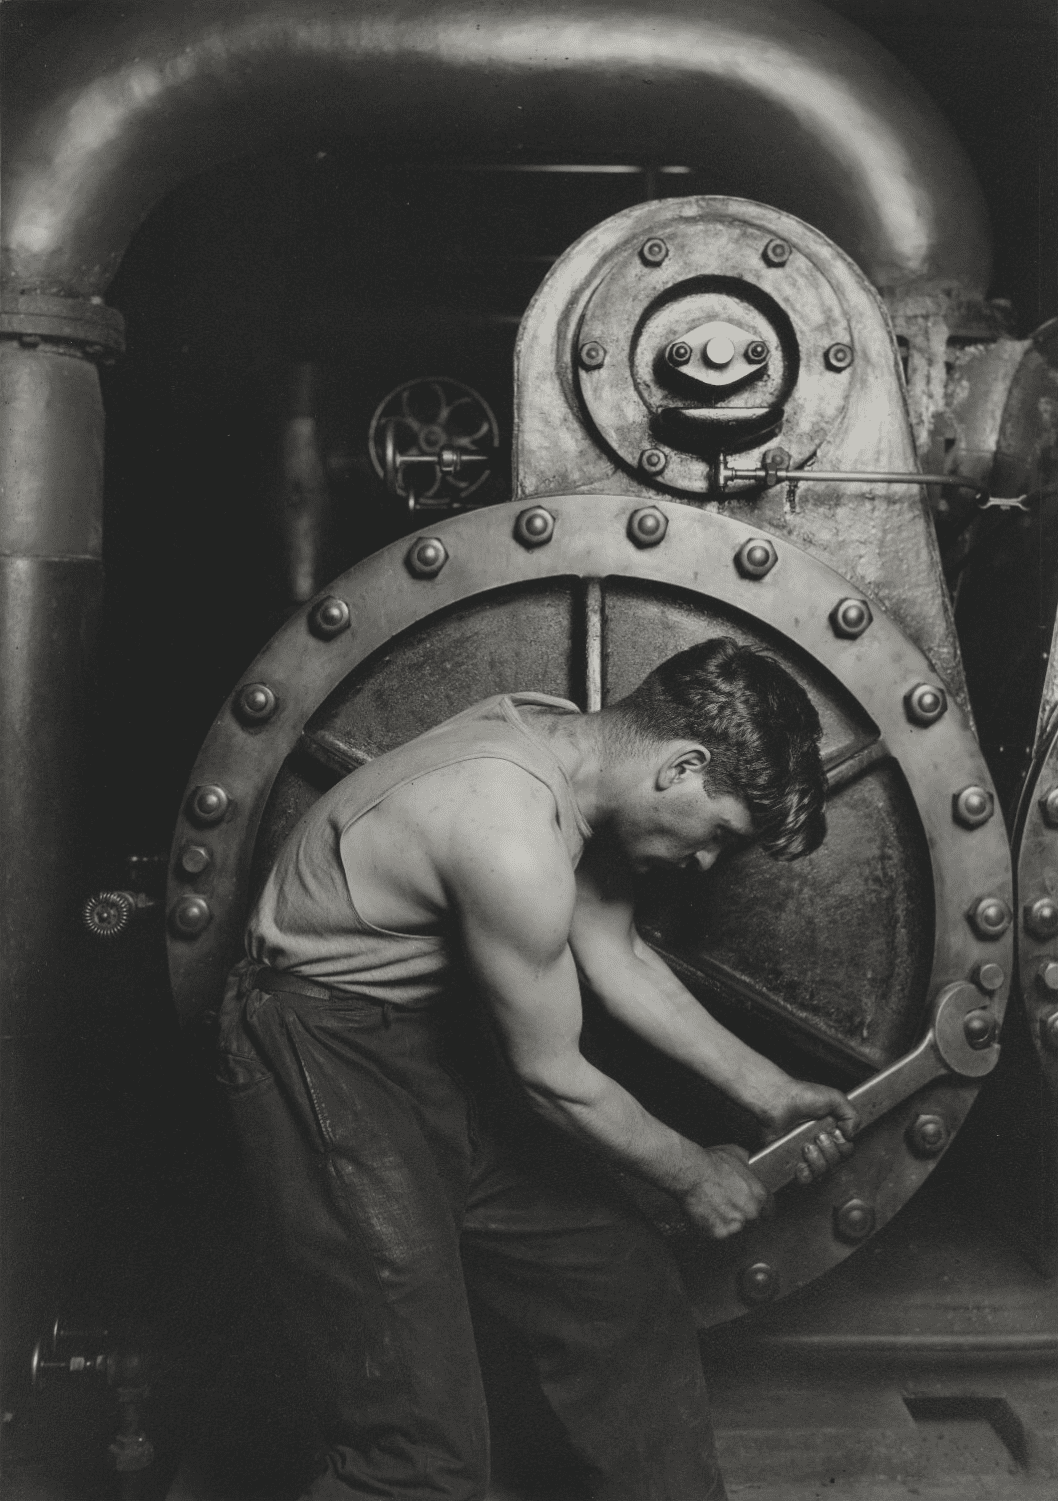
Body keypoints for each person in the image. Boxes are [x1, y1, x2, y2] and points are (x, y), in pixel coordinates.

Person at [218, 635, 858, 1501]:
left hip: (428, 1044)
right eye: (718, 834)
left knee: (618, 1289)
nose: (704, 863)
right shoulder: (506, 830)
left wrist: (769, 1090)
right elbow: (554, 1077)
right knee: (421, 1455)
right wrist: (693, 1173)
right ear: (683, 765)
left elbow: (616, 949)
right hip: (322, 1054)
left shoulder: (565, 746)